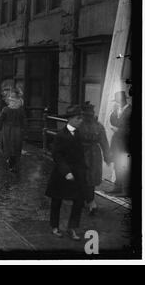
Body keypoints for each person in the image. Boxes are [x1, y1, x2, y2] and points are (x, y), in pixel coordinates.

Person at [45, 105, 86, 241]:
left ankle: (72, 228)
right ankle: (55, 227)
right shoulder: (61, 135)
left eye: (81, 118)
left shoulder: (79, 133)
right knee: (57, 200)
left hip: (78, 173)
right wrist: (66, 172)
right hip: (62, 174)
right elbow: (57, 155)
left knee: (78, 201)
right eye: (78, 118)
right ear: (70, 120)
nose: (80, 120)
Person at [79, 102, 110, 214]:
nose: (88, 116)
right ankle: (84, 200)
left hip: (92, 155)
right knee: (82, 178)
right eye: (86, 114)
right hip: (82, 154)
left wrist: (107, 156)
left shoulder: (98, 126)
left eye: (89, 114)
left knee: (90, 179)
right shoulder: (79, 125)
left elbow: (104, 142)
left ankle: (90, 201)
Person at [109, 91, 132, 196]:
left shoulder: (131, 111)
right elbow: (113, 122)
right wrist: (114, 112)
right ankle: (117, 187)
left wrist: (119, 131)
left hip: (126, 144)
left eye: (118, 101)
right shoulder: (118, 110)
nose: (117, 103)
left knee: (125, 167)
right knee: (117, 165)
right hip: (117, 144)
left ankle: (126, 190)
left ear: (123, 100)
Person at [0, 90, 26, 173]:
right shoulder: (20, 110)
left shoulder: (5, 109)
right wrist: (24, 130)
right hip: (18, 131)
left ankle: (10, 162)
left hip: (7, 131)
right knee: (16, 147)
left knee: (7, 147)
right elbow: (24, 121)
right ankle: (14, 164)